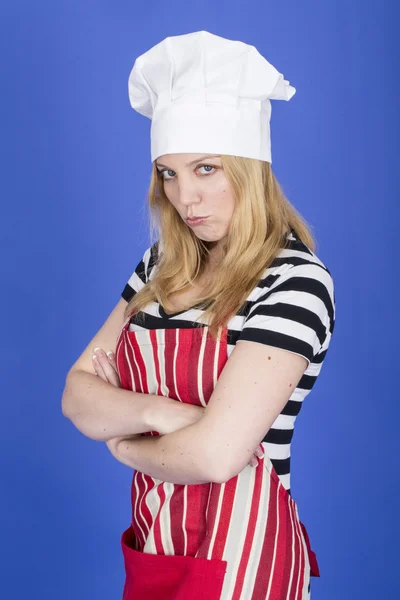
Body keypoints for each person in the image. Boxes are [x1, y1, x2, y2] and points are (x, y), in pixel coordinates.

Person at [70, 31, 335, 600]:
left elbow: (216, 458)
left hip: (247, 560)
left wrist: (126, 445)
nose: (184, 197)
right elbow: (77, 395)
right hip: (156, 542)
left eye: (206, 169)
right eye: (168, 173)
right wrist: (164, 414)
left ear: (249, 167)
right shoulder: (159, 266)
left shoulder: (296, 282)